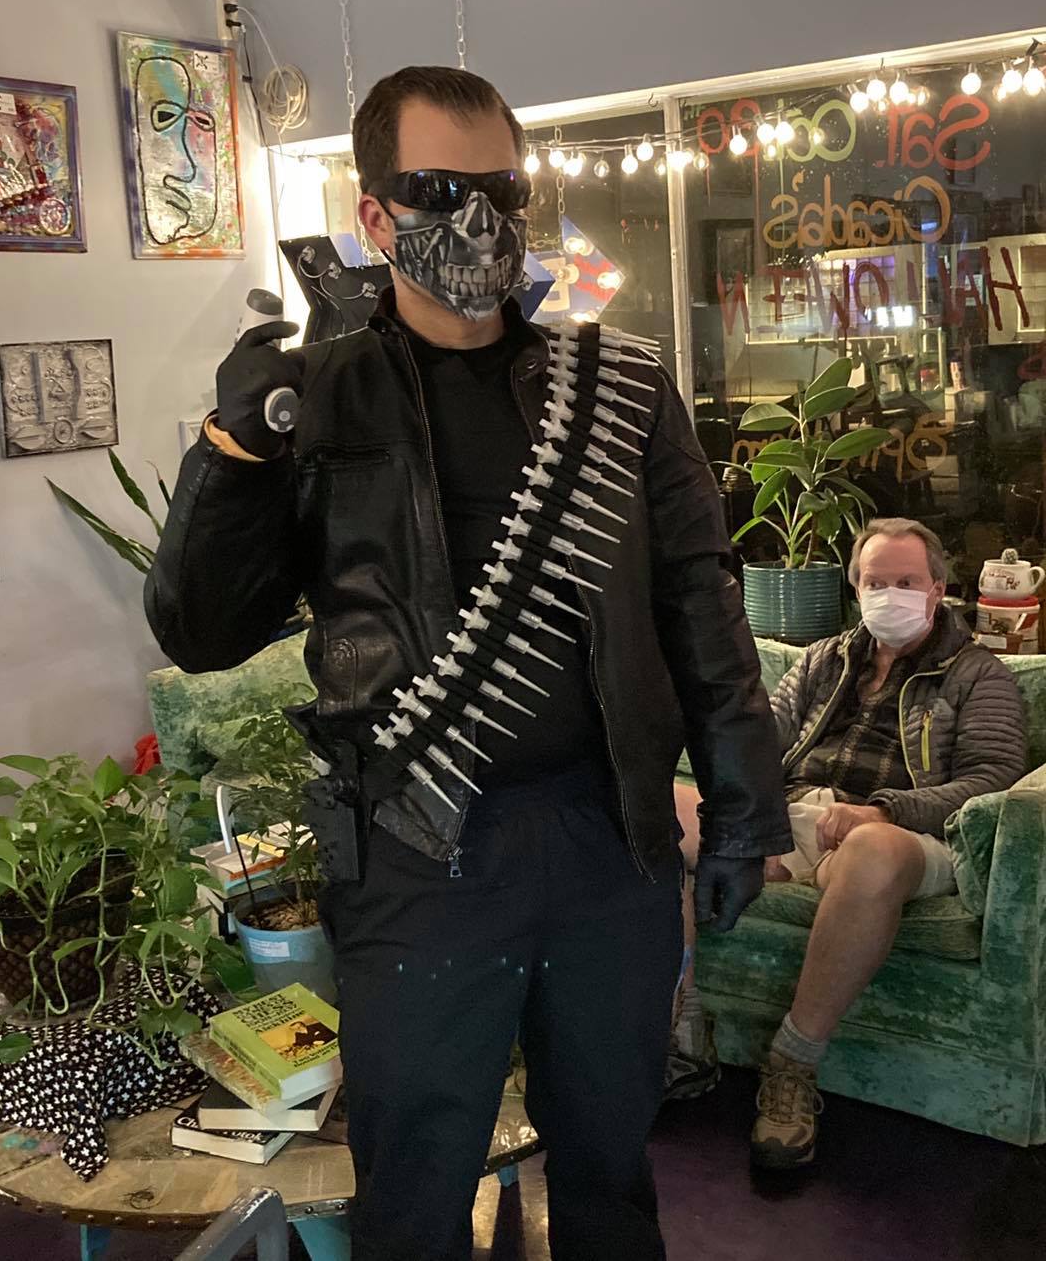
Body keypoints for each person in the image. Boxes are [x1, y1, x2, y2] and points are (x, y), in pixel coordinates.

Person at [145, 64, 792, 1260]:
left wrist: (746, 810)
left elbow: (702, 607)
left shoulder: (622, 386)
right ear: (374, 214)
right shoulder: (316, 397)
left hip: (608, 839)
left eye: (504, 190)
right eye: (441, 191)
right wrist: (233, 454)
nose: (481, 220)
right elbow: (201, 631)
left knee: (610, 1161)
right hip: (414, 849)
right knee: (417, 1182)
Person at [669, 517, 1027, 1170]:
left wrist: (884, 810)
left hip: (907, 833)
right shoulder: (822, 659)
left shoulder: (979, 675)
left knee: (872, 853)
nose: (890, 594)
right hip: (797, 817)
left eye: (907, 582)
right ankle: (681, 1031)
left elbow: (993, 778)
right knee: (658, 810)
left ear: (938, 588)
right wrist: (752, 824)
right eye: (875, 582)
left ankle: (792, 1065)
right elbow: (757, 746)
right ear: (856, 588)